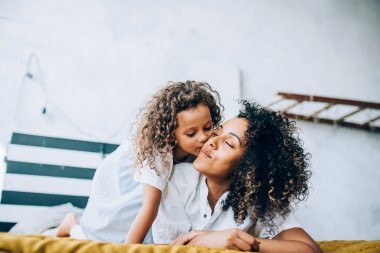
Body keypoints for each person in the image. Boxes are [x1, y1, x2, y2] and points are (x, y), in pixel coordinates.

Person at [55, 81, 223, 244]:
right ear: (171, 135)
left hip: (146, 182)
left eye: (207, 127)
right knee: (109, 233)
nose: (203, 137)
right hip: (123, 180)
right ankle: (71, 225)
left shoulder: (204, 148)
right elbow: (150, 208)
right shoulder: (158, 152)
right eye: (191, 133)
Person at [153, 101, 322, 253]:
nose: (211, 141)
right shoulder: (173, 179)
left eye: (228, 143)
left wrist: (235, 240)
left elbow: (310, 250)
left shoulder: (259, 201)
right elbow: (169, 249)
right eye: (216, 133)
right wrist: (207, 240)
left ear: (248, 167)